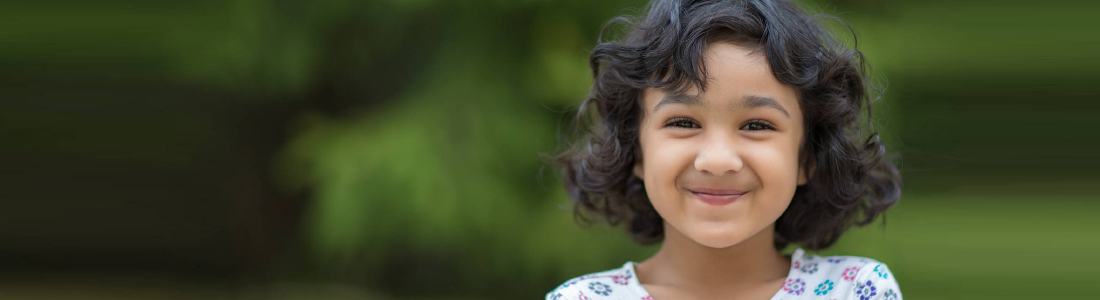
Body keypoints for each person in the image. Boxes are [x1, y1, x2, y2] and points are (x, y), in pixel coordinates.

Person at [549, 0, 902, 299]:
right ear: (635, 150)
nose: (718, 161)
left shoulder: (856, 290)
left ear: (807, 156)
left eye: (756, 125)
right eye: (684, 123)